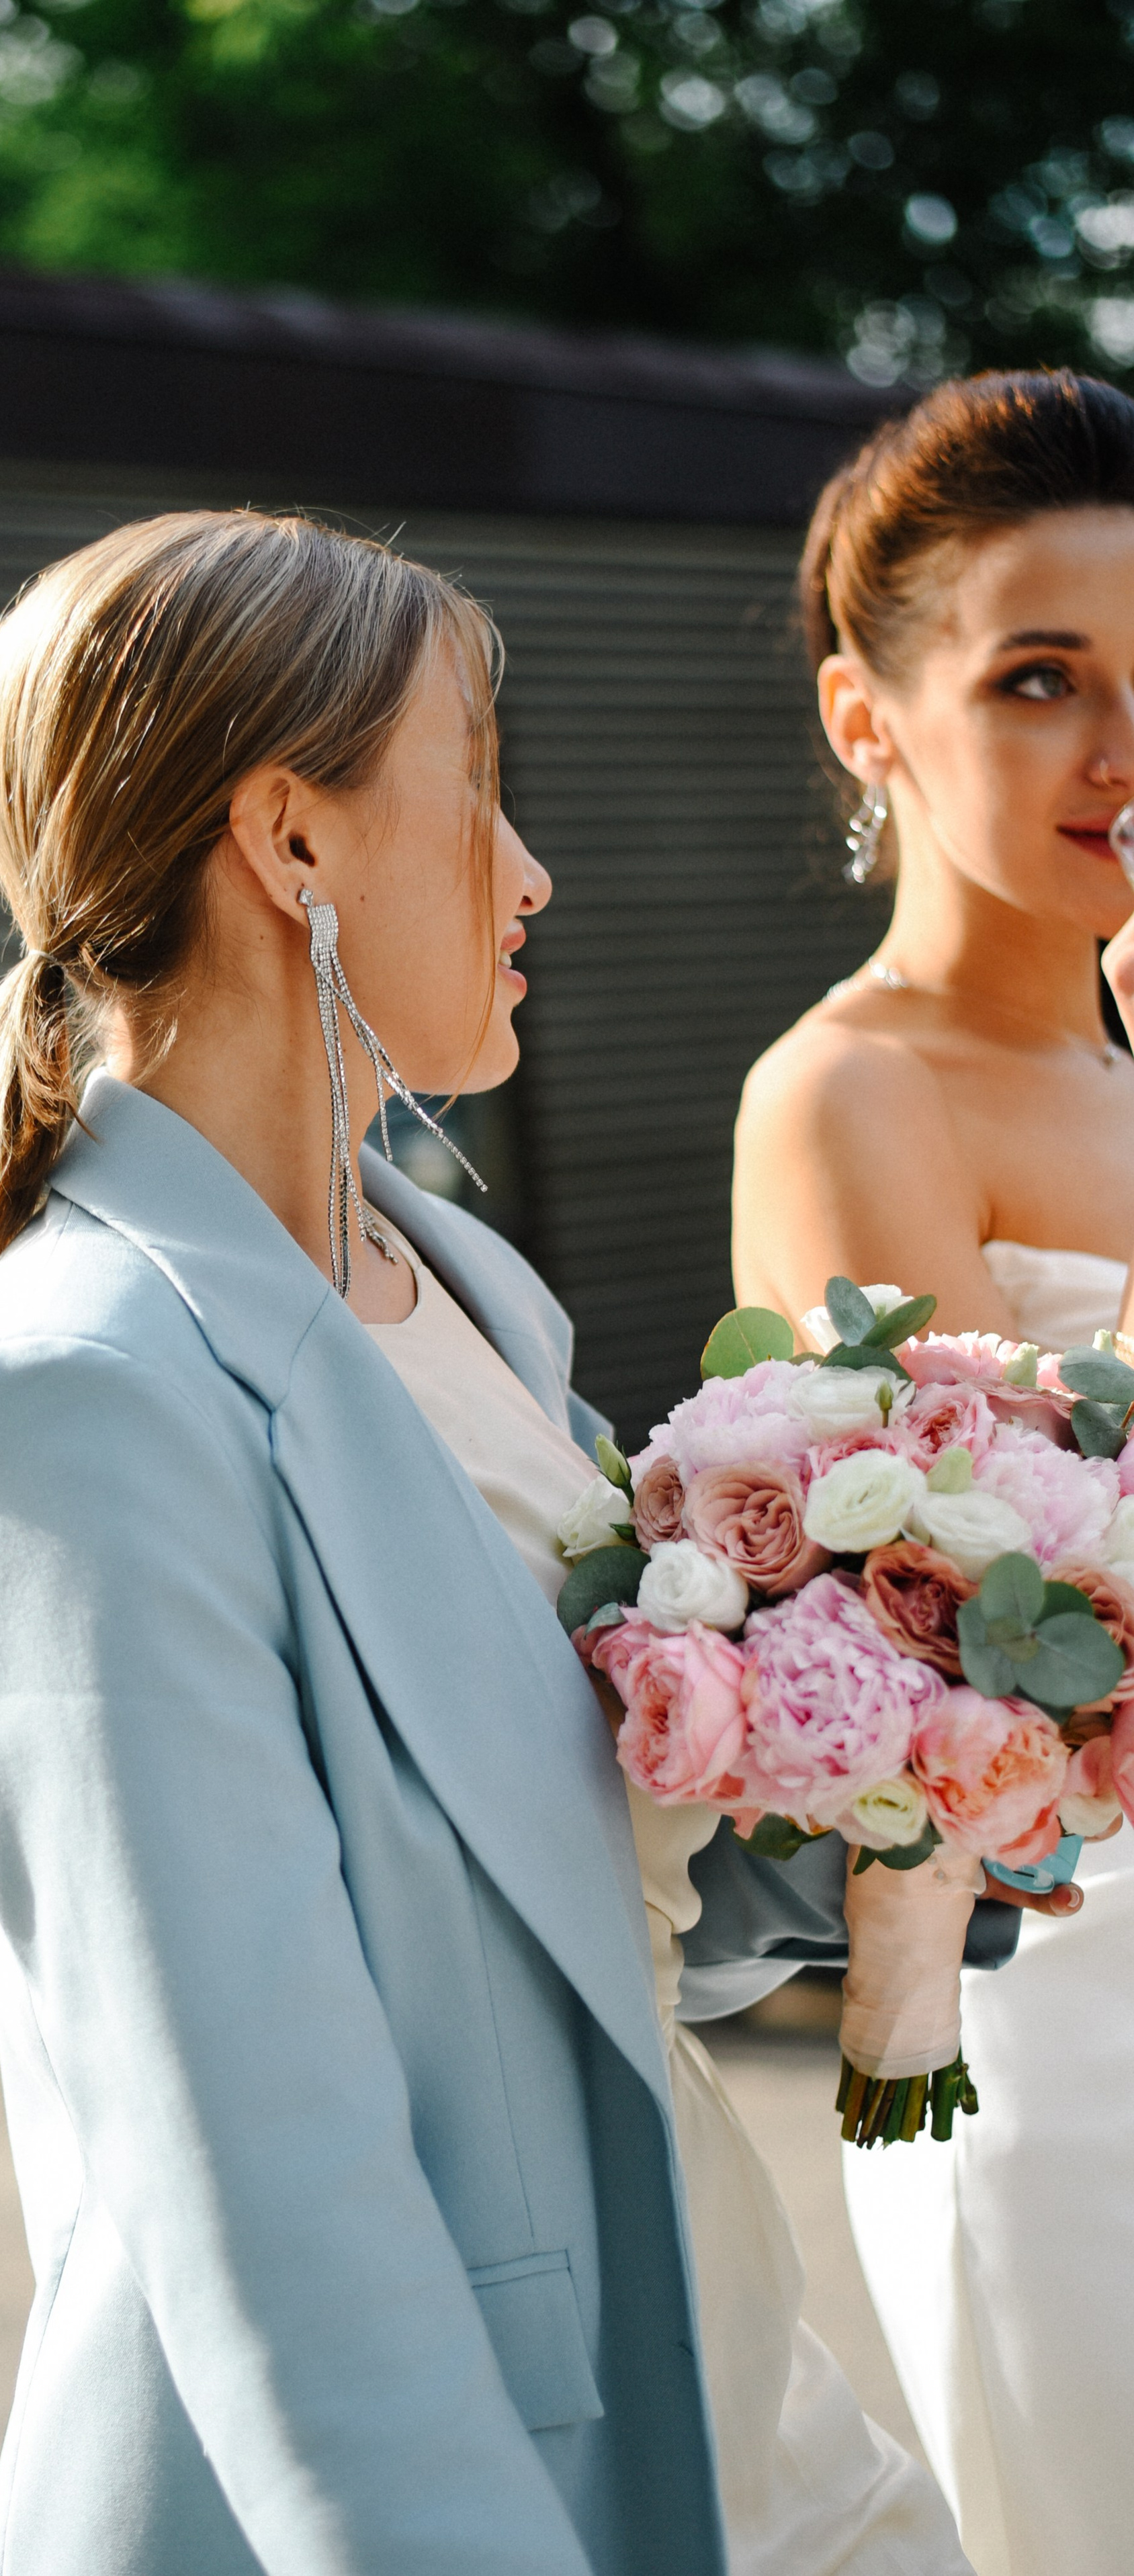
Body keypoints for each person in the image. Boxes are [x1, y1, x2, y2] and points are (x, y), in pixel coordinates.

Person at [0, 508, 965, 2575]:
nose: (533, 867)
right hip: (449, 2465)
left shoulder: (455, 1286)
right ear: (291, 840)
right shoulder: (81, 1402)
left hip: (706, 2348)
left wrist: (862, 1807)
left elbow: (562, 1909)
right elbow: (262, 2189)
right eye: (480, 786)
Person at [733, 367, 1134, 2576]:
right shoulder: (848, 1095)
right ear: (869, 722)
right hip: (1069, 2001)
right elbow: (1004, 1626)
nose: (1116, 748)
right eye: (1040, 678)